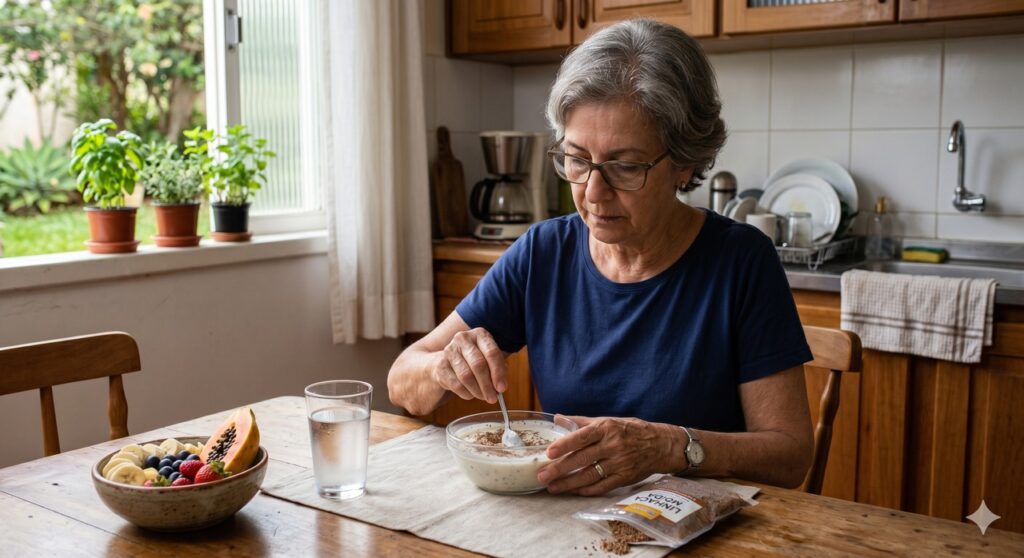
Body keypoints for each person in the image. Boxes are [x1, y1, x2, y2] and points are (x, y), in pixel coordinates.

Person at [388, 19, 813, 495]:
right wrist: (441, 366)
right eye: (576, 159)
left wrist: (670, 446)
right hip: (569, 521)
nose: (592, 193)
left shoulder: (740, 261)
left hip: (696, 526)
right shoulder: (543, 253)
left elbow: (789, 456)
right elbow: (403, 381)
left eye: (625, 166)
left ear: (685, 163)